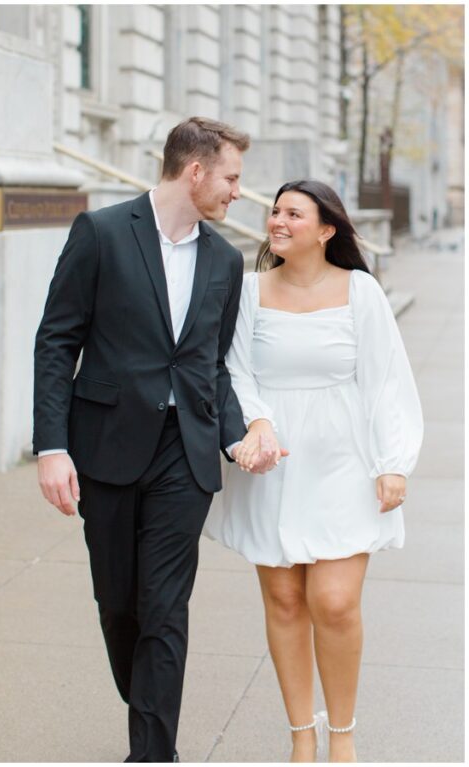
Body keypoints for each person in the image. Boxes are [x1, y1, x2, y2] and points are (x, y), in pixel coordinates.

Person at [33, 116, 279, 763]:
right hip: (107, 447)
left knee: (164, 607)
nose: (236, 193)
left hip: (185, 455)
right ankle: (147, 708)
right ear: (194, 170)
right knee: (120, 606)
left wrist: (239, 436)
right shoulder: (103, 233)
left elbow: (213, 369)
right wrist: (51, 445)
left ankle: (152, 753)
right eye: (231, 177)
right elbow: (58, 340)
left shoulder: (225, 260)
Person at [204, 180, 423, 762]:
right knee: (283, 601)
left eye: (292, 213)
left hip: (344, 460)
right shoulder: (248, 290)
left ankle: (343, 734)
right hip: (272, 461)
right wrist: (256, 425)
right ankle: (302, 735)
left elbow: (386, 382)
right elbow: (235, 371)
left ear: (326, 229)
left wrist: (392, 462)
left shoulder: (361, 291)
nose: (277, 220)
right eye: (274, 211)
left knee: (333, 601)